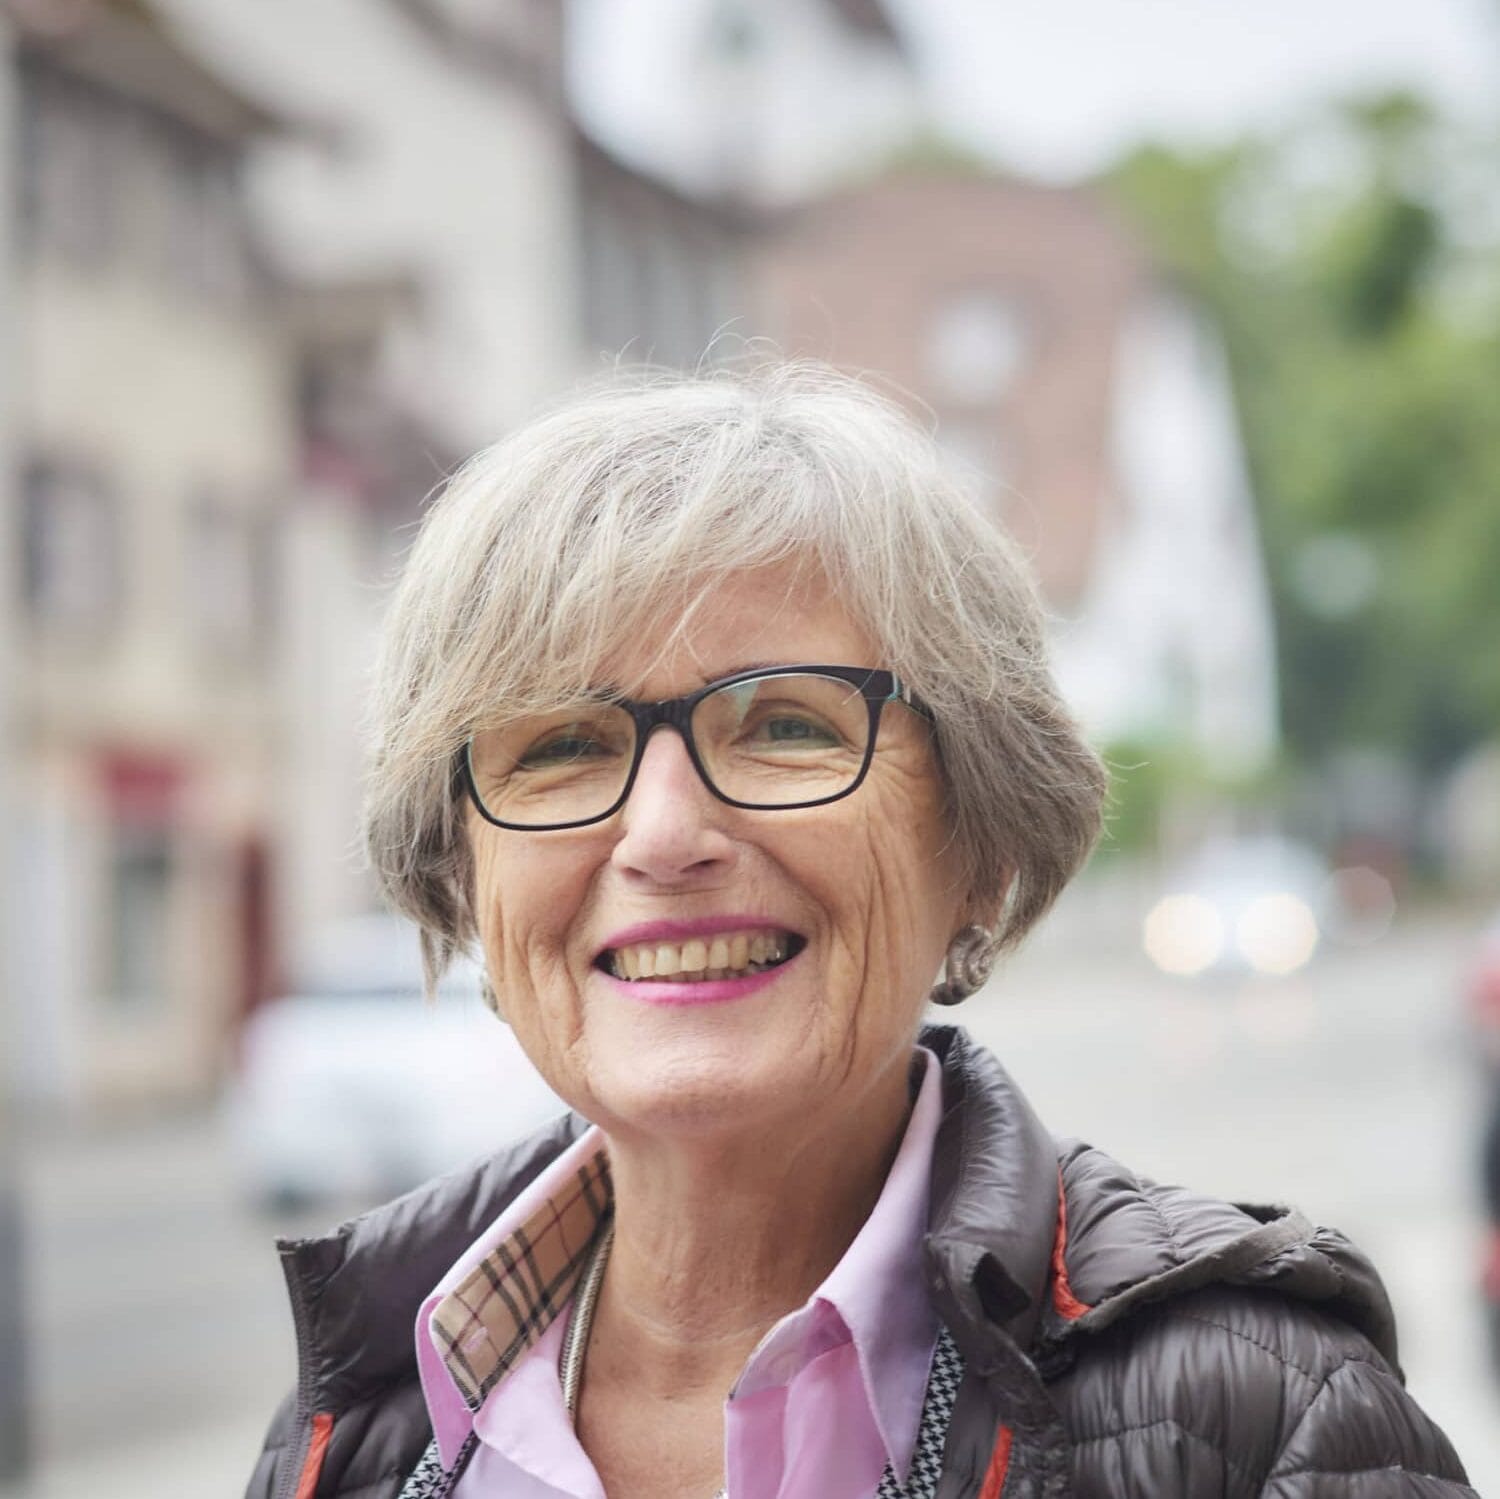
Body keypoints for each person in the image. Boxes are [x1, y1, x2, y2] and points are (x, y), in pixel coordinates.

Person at [246, 365, 1473, 1499]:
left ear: (982, 846)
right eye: (562, 745)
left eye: (786, 724)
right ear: (466, 878)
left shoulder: (1274, 1423)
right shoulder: (351, 1426)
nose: (664, 834)